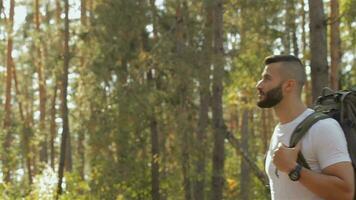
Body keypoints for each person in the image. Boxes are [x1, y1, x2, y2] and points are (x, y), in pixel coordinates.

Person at [256, 55, 354, 200]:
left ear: (289, 85)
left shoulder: (322, 128)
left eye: (267, 78)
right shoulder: (278, 129)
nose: (259, 85)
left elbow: (345, 193)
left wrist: (293, 168)